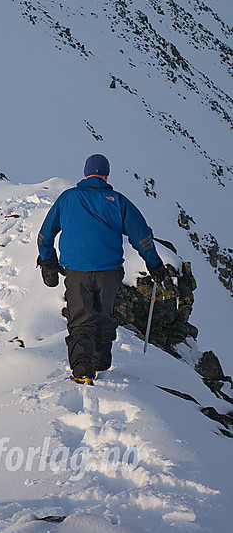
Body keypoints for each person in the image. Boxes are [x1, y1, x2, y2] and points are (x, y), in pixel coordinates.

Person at [37, 154, 165, 384]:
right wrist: (154, 264)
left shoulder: (67, 198)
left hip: (77, 271)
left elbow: (45, 235)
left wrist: (48, 260)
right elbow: (142, 235)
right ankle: (101, 363)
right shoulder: (118, 201)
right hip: (109, 271)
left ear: (86, 173)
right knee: (104, 316)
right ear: (106, 174)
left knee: (81, 319)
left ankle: (83, 368)